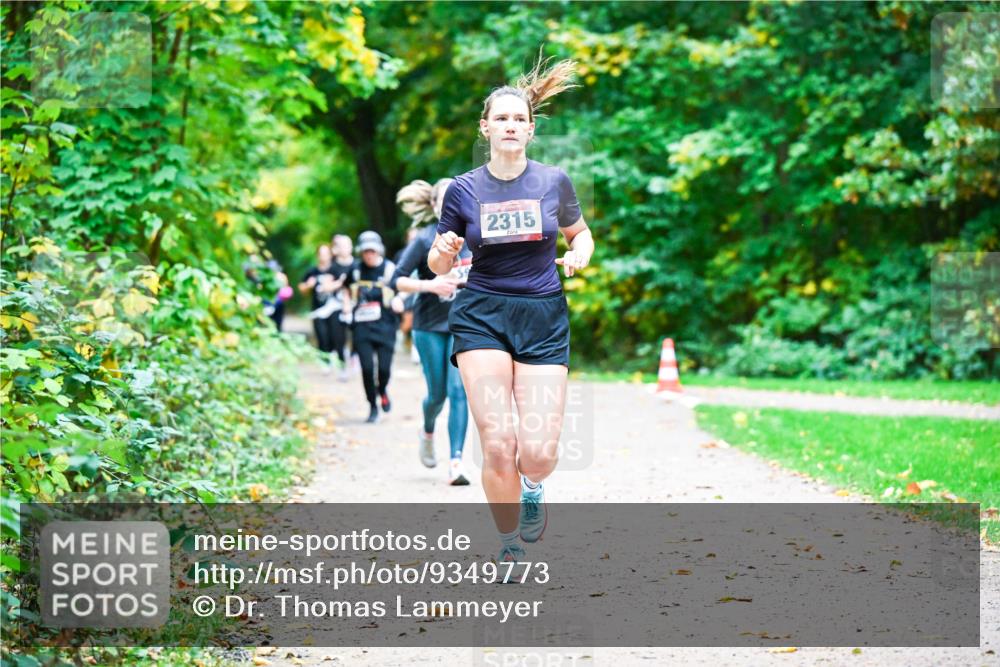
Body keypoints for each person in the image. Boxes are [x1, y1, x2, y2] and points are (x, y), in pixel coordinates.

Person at [428, 58, 594, 565]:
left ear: (530, 128)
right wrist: (447, 249)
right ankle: (508, 545)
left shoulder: (554, 182)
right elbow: (438, 261)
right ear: (486, 127)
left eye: (518, 119)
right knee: (498, 441)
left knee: (538, 454)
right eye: (500, 119)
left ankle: (533, 488)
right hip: (482, 314)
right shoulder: (463, 189)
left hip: (542, 313)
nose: (509, 126)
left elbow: (578, 233)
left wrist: (582, 253)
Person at [391, 177, 473, 486]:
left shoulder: (476, 236)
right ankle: (427, 430)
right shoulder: (425, 238)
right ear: (435, 205)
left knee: (458, 391)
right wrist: (430, 285)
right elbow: (396, 279)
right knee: (437, 394)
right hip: (428, 325)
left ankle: (456, 463)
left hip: (465, 325)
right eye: (446, 200)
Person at [343, 231, 399, 424]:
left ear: (379, 250)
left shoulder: (390, 269)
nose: (369, 255)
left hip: (386, 325)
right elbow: (345, 289)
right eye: (366, 251)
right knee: (367, 369)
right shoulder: (355, 270)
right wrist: (346, 306)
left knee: (384, 369)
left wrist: (399, 301)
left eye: (372, 251)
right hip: (362, 327)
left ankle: (382, 390)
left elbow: (403, 290)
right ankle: (372, 406)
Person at [298, 244, 347, 373]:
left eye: (326, 253)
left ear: (330, 255)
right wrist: (309, 285)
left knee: (335, 336)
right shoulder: (312, 271)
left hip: (334, 308)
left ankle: (340, 362)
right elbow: (301, 288)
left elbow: (344, 286)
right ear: (318, 256)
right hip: (318, 310)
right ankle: (325, 362)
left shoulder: (336, 269)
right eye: (321, 253)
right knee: (322, 336)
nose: (324, 256)